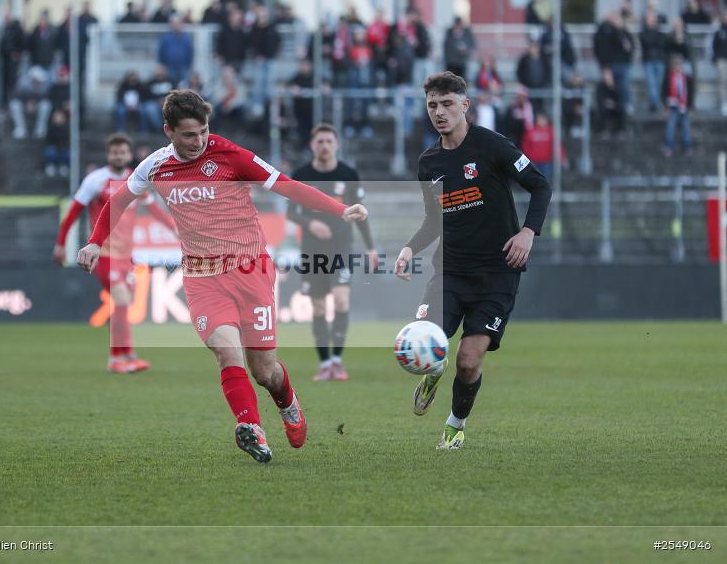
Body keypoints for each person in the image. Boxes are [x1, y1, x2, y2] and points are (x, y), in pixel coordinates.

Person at [76, 90, 368, 463]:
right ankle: (253, 429)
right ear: (168, 131)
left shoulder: (230, 155)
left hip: (251, 270)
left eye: (203, 131)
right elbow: (118, 201)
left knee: (264, 371)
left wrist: (339, 210)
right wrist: (94, 243)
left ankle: (288, 402)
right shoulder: (154, 167)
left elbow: (285, 185)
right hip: (202, 276)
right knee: (226, 352)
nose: (198, 141)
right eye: (187, 135)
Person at [394, 72, 551, 450]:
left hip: (498, 273)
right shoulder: (429, 163)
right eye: (433, 105)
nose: (439, 112)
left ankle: (455, 424)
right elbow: (435, 220)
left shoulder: (494, 147)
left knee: (467, 360)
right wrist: (409, 249)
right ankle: (433, 370)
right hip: (449, 272)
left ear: (465, 105)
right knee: (424, 342)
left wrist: (528, 232)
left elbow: (540, 185)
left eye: (447, 103)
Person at [55, 133, 175, 372]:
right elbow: (73, 213)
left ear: (129, 155)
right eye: (114, 152)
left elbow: (154, 209)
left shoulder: (135, 179)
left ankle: (126, 355)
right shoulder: (95, 180)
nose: (118, 156)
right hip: (104, 254)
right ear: (108, 154)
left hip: (127, 255)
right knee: (121, 300)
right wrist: (60, 243)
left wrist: (176, 230)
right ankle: (116, 359)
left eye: (122, 152)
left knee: (124, 304)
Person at [288, 123, 377, 381]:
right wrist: (310, 223)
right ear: (312, 145)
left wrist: (370, 247)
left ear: (336, 144)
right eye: (320, 142)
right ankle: (324, 363)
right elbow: (291, 213)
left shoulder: (348, 174)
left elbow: (360, 214)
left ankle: (337, 361)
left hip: (341, 247)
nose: (324, 146)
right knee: (317, 306)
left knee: (340, 300)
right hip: (312, 250)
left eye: (329, 141)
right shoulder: (301, 174)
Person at [662, 55, 691, 157]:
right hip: (672, 105)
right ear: (673, 66)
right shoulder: (668, 77)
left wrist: (689, 105)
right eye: (676, 65)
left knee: (685, 127)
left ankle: (687, 147)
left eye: (680, 65)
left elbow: (690, 92)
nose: (678, 67)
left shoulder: (686, 77)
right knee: (670, 126)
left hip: (684, 106)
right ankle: (669, 147)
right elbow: (664, 92)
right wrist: (665, 106)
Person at [713, 11, 727, 117]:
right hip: (722, 59)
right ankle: (723, 103)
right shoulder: (719, 31)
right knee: (722, 81)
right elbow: (714, 46)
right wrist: (716, 58)